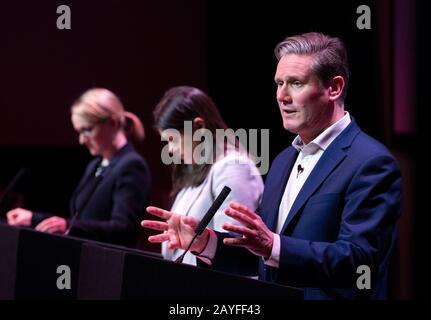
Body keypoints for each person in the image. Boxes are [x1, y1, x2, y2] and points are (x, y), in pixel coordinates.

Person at [142, 33, 402, 299]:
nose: (281, 96)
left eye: (296, 83)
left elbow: (359, 262)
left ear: (334, 88)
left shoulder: (370, 162)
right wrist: (207, 243)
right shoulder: (283, 160)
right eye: (279, 83)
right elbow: (260, 255)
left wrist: (274, 246)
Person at [7, 88, 151, 247]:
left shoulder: (131, 165)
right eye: (79, 132)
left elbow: (123, 228)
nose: (82, 140)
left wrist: (68, 226)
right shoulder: (95, 165)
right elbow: (80, 220)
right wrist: (34, 219)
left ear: (112, 122)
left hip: (109, 265)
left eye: (87, 130)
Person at [153, 86, 264, 269]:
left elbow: (233, 249)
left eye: (172, 140)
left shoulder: (232, 168)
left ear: (198, 127)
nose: (170, 150)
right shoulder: (197, 172)